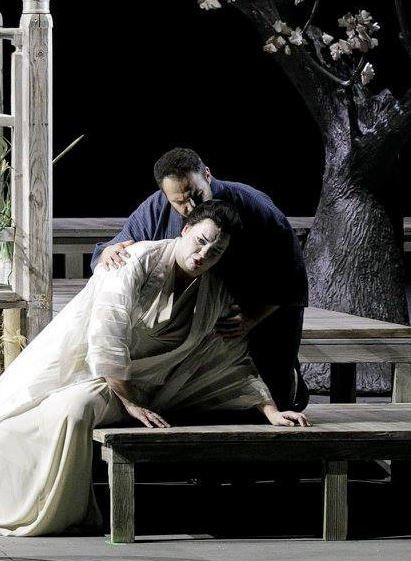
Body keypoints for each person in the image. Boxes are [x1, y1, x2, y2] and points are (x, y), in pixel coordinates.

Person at [0, 202, 308, 536]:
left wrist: (269, 410)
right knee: (27, 422)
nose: (204, 254)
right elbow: (107, 331)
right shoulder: (134, 259)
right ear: (185, 229)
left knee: (74, 411)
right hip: (98, 371)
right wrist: (129, 400)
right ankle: (22, 505)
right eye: (200, 241)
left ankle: (60, 514)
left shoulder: (214, 289)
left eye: (216, 251)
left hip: (155, 385)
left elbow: (229, 356)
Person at [92, 148, 310, 413]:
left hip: (254, 314)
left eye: (196, 195)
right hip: (194, 323)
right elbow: (114, 252)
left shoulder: (255, 208)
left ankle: (289, 389)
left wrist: (252, 317)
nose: (191, 207)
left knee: (274, 399)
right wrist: (108, 252)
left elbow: (291, 279)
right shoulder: (156, 207)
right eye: (179, 202)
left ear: (207, 175)